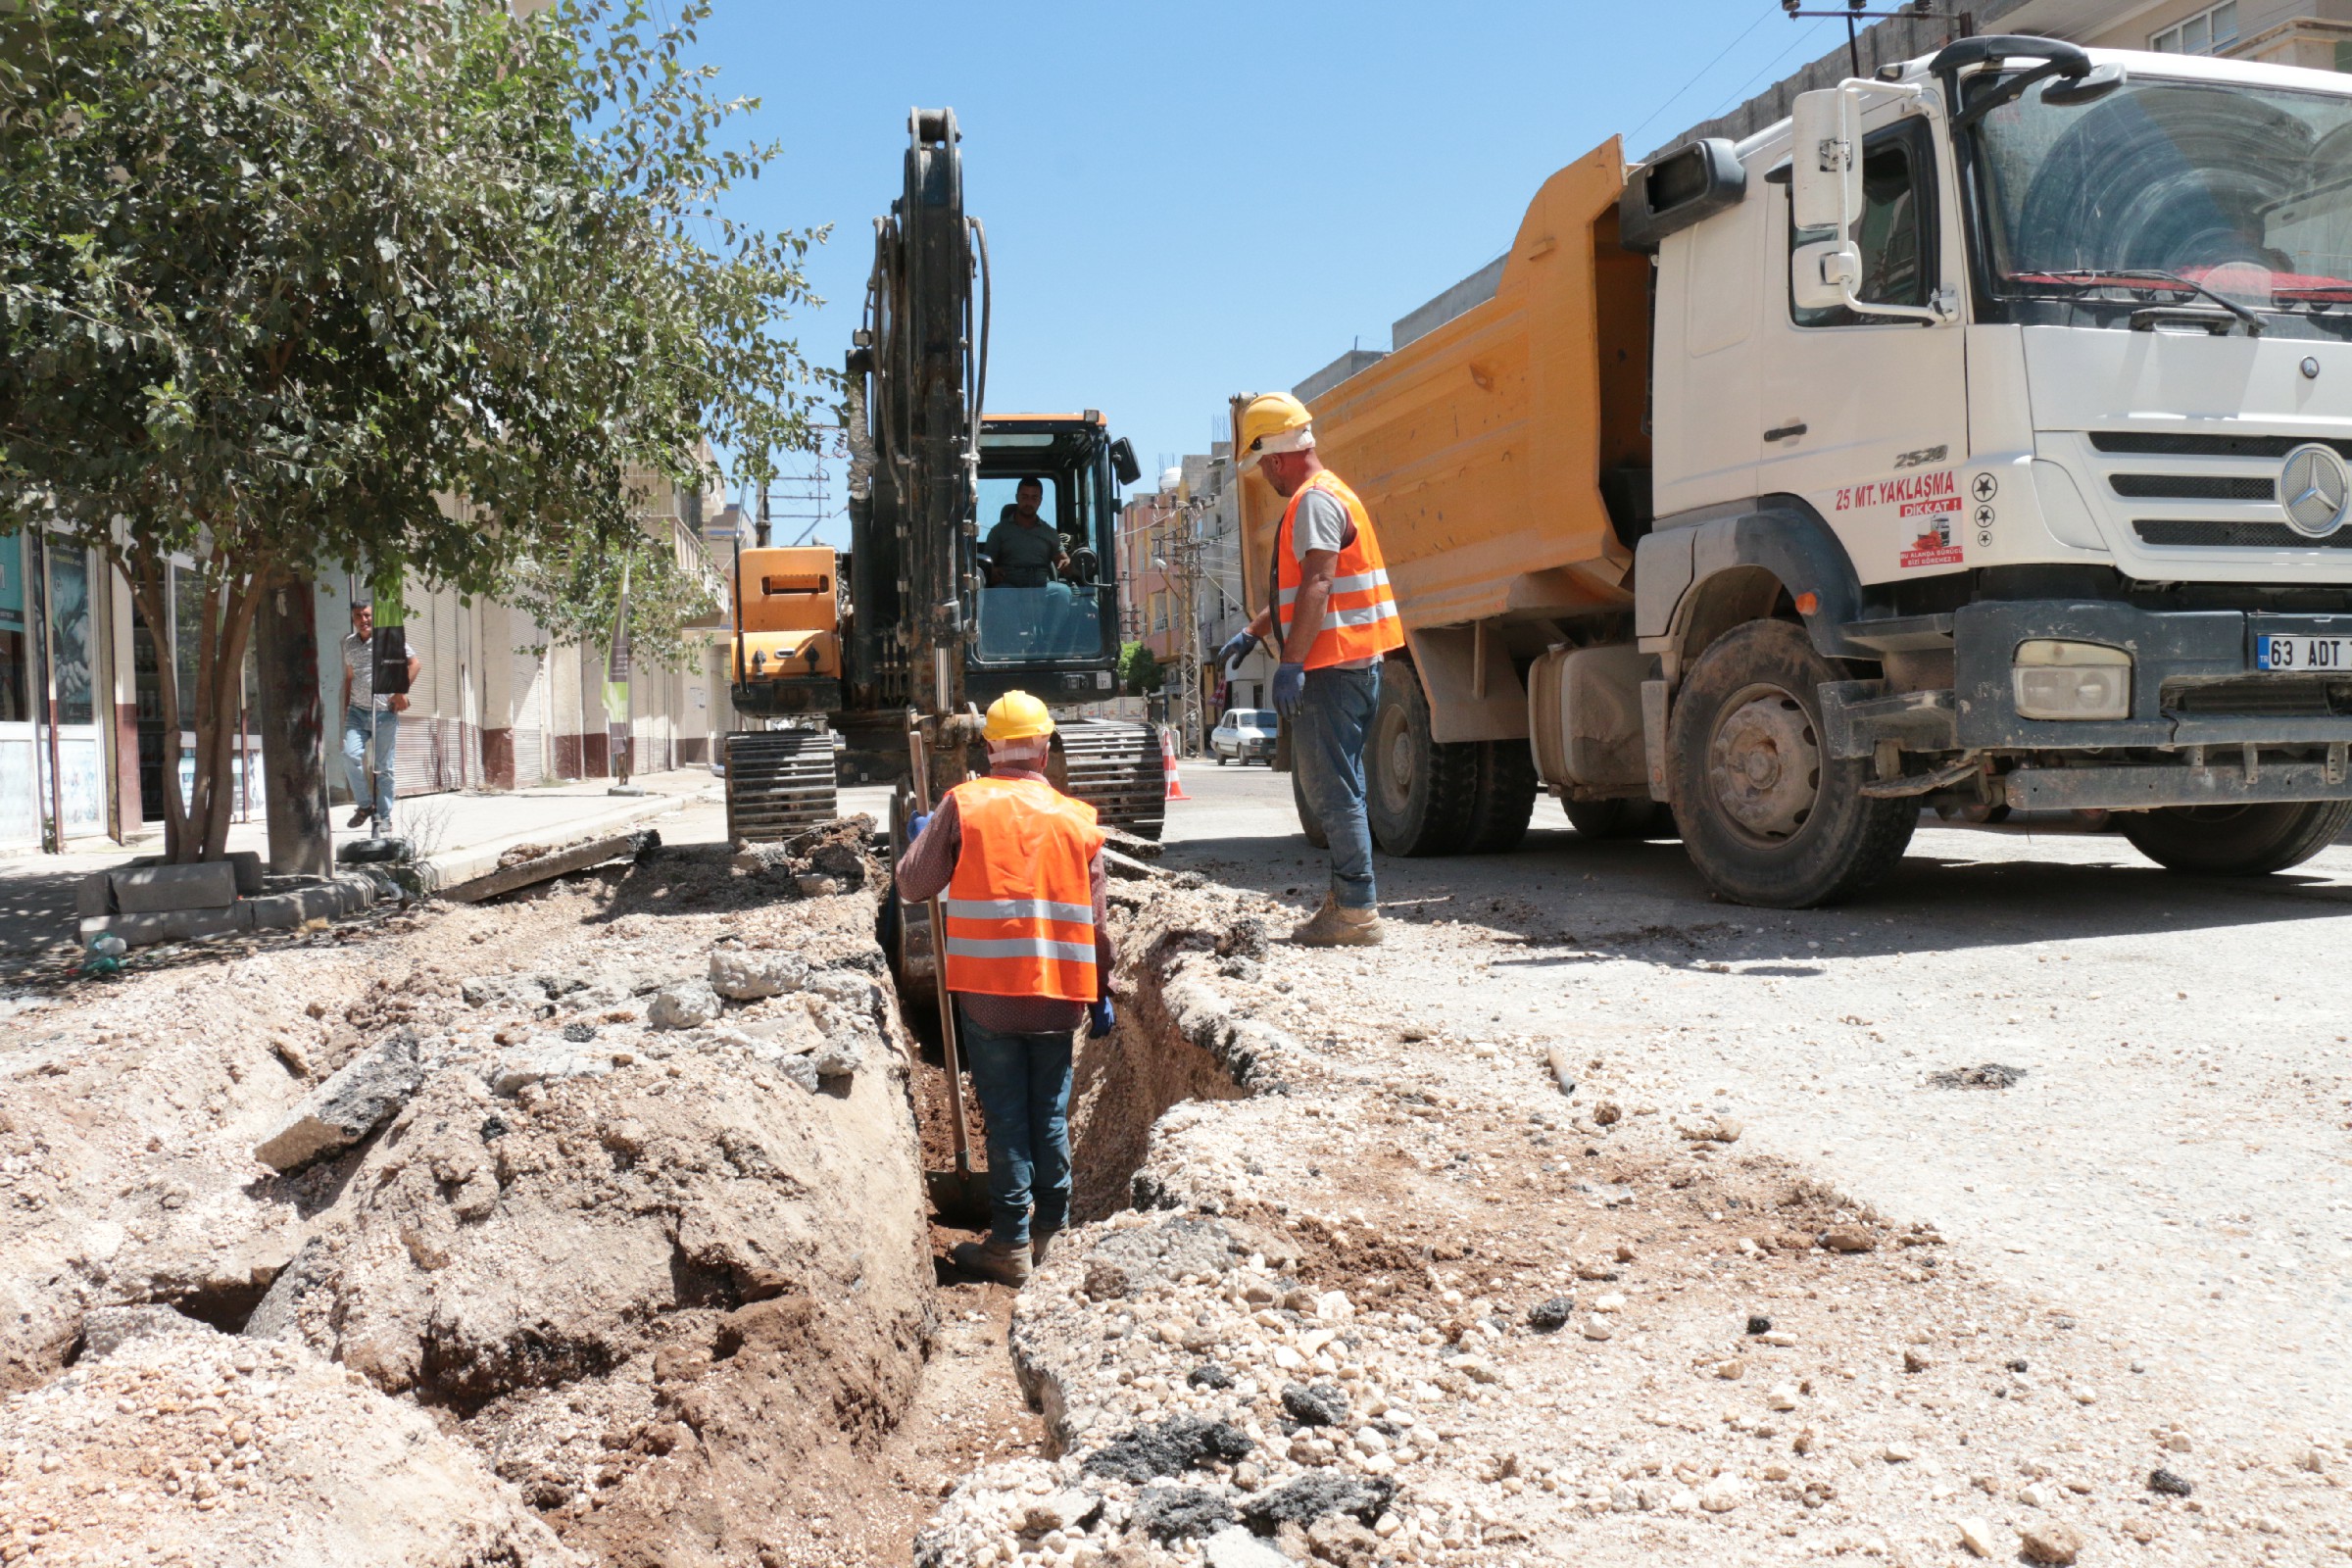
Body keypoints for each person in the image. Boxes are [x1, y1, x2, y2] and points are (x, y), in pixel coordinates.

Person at [896, 691, 1116, 1288]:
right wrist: (1103, 988)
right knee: (1048, 1113)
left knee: (1007, 1116)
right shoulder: (1077, 818)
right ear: (1045, 749)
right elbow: (1096, 924)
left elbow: (914, 885)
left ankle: (1011, 1242)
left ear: (989, 747)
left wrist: (927, 839)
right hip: (1059, 995)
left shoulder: (965, 804)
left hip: (990, 993)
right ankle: (1053, 1230)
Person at [1217, 391, 1403, 947]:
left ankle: (1353, 910)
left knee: (1335, 788)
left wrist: (1292, 663)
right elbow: (1309, 587)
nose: (1266, 478)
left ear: (1276, 457)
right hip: (1351, 662)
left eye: (1262, 467)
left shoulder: (1314, 501)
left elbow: (1320, 584)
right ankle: (1351, 901)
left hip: (1333, 665)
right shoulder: (1331, 493)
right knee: (1343, 782)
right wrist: (1255, 630)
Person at [340, 602, 418, 834]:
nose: (363, 620)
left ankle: (384, 816)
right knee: (349, 754)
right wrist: (346, 706)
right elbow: (350, 676)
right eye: (357, 616)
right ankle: (365, 806)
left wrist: (400, 692)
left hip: (384, 712)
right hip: (357, 711)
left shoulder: (388, 641)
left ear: (374, 616)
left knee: (384, 767)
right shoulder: (349, 643)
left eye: (367, 615)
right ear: (353, 619)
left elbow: (415, 663)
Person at [985, 478, 1067, 587]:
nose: (1029, 503)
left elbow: (1063, 560)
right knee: (1001, 594)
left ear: (1040, 501)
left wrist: (1068, 563)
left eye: (1034, 498)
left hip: (1042, 588)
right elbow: (985, 565)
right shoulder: (998, 531)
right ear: (1017, 497)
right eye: (1024, 497)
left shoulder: (1050, 533)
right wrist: (992, 571)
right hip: (1010, 588)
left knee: (1062, 591)